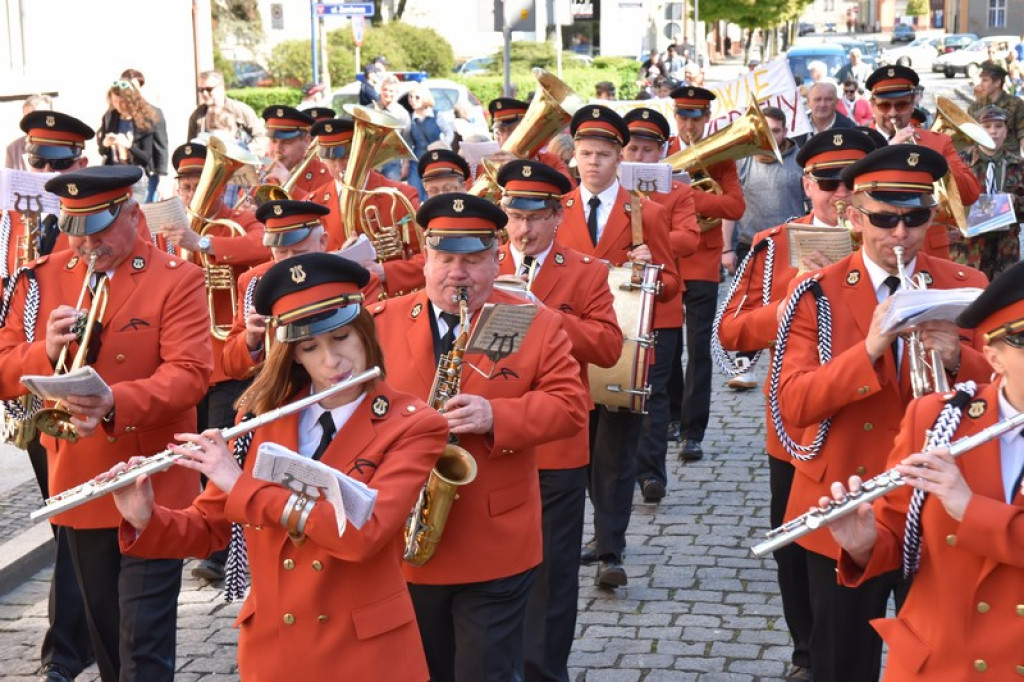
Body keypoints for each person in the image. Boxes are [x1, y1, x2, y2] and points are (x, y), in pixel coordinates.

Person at [111, 251, 446, 681]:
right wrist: (146, 517)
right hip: (276, 649)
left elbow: (365, 534)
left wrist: (241, 486)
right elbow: (213, 525)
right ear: (294, 356)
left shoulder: (413, 424)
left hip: (364, 654)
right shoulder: (262, 419)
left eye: (342, 338)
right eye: (310, 347)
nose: (331, 361)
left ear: (365, 331)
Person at [774, 145, 992, 682]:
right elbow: (794, 403)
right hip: (847, 504)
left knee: (944, 658)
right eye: (884, 219)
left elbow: (1012, 389)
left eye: (915, 217)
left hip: (941, 502)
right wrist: (867, 350)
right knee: (841, 661)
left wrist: (960, 358)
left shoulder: (968, 287)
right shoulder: (816, 294)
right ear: (853, 216)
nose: (900, 234)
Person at [0, 166, 212, 682]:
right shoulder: (44, 275)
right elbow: (5, 367)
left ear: (132, 214)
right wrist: (44, 350)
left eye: (99, 230)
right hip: (81, 482)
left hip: (153, 481)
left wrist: (114, 401)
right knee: (110, 643)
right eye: (77, 230)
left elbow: (190, 376)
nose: (86, 244)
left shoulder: (176, 277)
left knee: (144, 644)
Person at [369, 193, 589, 682]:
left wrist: (497, 415)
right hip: (404, 535)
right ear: (424, 261)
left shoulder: (531, 321)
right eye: (445, 259)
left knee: (484, 672)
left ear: (497, 259)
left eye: (472, 260)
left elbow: (570, 407)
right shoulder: (380, 323)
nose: (457, 274)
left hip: (495, 541)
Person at [717, 129, 880, 682]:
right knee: (796, 549)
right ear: (806, 183)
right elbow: (731, 331)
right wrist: (789, 304)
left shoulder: (892, 243)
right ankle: (807, 652)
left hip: (875, 425)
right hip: (798, 427)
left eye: (853, 182)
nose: (841, 193)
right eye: (829, 181)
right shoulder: (772, 245)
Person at [827, 259, 1024, 680]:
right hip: (937, 666)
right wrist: (864, 544)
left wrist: (969, 509)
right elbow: (902, 531)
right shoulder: (936, 420)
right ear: (993, 356)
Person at [495, 159, 621, 682]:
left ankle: (545, 672)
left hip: (556, 447)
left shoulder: (586, 270)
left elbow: (610, 347)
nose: (523, 231)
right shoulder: (479, 265)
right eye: (514, 217)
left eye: (535, 219)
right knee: (492, 569)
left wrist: (545, 315)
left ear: (556, 215)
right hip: (491, 442)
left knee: (552, 574)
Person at [558, 105, 680, 585]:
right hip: (566, 352)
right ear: (574, 158)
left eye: (604, 155)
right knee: (576, 452)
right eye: (585, 153)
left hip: (623, 353)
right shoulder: (556, 210)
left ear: (619, 159)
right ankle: (586, 536)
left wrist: (651, 266)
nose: (593, 162)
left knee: (615, 453)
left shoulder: (645, 212)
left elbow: (671, 286)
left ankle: (611, 548)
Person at [0, 110, 95, 682]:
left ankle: (67, 648)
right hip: (28, 382)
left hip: (79, 383)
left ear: (78, 165)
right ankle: (73, 643)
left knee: (75, 517)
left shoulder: (87, 222)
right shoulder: (12, 222)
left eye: (57, 165)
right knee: (64, 518)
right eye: (37, 163)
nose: (45, 173)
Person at [620, 107, 699, 502]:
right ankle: (618, 471)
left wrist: (653, 241)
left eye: (647, 150)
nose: (637, 157)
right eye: (631, 148)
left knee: (653, 392)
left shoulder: (678, 191)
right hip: (614, 304)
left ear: (661, 152)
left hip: (661, 305)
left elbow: (690, 238)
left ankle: (651, 474)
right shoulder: (609, 192)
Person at [665, 85, 745, 462]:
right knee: (666, 345)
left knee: (698, 350)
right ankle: (671, 417)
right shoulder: (662, 152)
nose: (689, 124)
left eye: (696, 118)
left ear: (706, 119)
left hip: (701, 262)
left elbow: (734, 206)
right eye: (683, 116)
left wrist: (689, 197)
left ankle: (693, 431)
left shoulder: (721, 157)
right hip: (667, 259)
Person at [721, 106, 804, 391]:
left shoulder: (800, 160)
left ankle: (791, 361)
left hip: (791, 245)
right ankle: (745, 365)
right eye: (763, 131)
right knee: (749, 306)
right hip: (750, 245)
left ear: (786, 131)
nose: (769, 137)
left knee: (788, 305)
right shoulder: (743, 162)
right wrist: (725, 249)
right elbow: (730, 208)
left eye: (776, 131)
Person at [865, 65, 981, 259]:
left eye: (901, 105)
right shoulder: (859, 143)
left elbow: (970, 194)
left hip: (929, 251)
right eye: (885, 106)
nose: (893, 113)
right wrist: (886, 152)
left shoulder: (938, 142)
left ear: (912, 104)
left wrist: (932, 158)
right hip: (879, 249)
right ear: (872, 106)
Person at [308, 117, 423, 298]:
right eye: (330, 158)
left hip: (390, 301)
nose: (339, 166)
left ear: (362, 152)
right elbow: (304, 264)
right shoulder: (312, 203)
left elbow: (428, 258)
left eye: (346, 156)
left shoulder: (401, 195)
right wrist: (337, 258)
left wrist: (385, 271)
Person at [955, 105, 1024, 279]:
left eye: (999, 126)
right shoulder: (959, 163)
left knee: (1004, 301)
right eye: (986, 126)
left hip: (1005, 252)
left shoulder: (1018, 165)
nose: (993, 132)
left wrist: (1011, 202)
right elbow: (945, 204)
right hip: (968, 251)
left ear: (1006, 131)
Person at [97, 79, 168, 203]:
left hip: (139, 176)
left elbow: (147, 157)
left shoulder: (145, 120)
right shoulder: (110, 117)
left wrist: (129, 145)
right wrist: (105, 143)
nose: (119, 105)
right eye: (115, 101)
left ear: (131, 101)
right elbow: (103, 151)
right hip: (115, 175)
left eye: (123, 102)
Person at [480, 98, 575, 189]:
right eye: (499, 131)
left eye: (511, 131)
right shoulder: (487, 164)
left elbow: (569, 189)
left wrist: (522, 167)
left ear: (527, 131)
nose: (504, 137)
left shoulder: (550, 161)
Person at [187, 70, 266, 154]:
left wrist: (243, 153)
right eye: (201, 90)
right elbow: (191, 148)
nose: (205, 93)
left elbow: (261, 137)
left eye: (209, 89)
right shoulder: (197, 116)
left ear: (222, 88)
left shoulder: (241, 110)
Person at [260, 105, 329, 197]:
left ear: (307, 141)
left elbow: (326, 209)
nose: (277, 149)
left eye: (286, 142)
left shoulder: (323, 176)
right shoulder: (263, 170)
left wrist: (291, 187)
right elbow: (243, 205)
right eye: (274, 141)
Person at [404, 84, 451, 200]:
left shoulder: (436, 115)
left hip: (435, 159)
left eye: (416, 97)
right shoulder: (410, 118)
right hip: (416, 161)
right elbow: (408, 143)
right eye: (410, 97)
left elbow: (449, 133)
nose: (412, 100)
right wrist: (405, 163)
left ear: (425, 98)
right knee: (414, 194)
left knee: (434, 193)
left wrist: (442, 144)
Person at [968, 61, 1024, 157]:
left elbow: (1022, 133)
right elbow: (968, 137)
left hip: (1009, 161)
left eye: (985, 80)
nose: (981, 84)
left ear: (997, 83)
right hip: (982, 161)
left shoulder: (1016, 103)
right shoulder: (975, 106)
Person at [374, 74, 412, 182]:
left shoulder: (402, 114)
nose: (387, 93)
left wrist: (405, 164)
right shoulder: (370, 109)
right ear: (380, 90)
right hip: (372, 163)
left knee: (391, 196)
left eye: (391, 91)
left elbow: (407, 141)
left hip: (393, 165)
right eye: (385, 89)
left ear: (396, 93)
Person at [4, 94, 52, 171]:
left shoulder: (65, 145)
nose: (33, 123)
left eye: (37, 118)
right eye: (27, 118)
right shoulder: (13, 149)